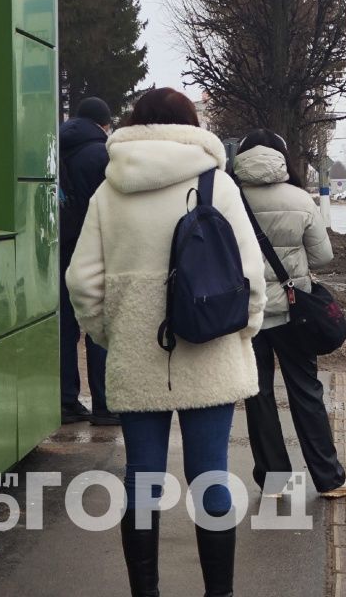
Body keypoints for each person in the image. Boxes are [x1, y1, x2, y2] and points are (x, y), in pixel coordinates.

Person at [66, 88, 266, 597]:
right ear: (191, 124)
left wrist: (112, 332)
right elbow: (250, 276)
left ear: (134, 123)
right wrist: (243, 331)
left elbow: (82, 280)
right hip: (210, 350)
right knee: (211, 477)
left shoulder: (110, 190)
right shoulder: (216, 184)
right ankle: (218, 593)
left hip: (135, 353)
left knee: (141, 479)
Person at [232, 130, 346, 499]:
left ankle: (274, 481)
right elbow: (323, 257)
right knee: (305, 392)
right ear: (282, 157)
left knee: (259, 395)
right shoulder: (300, 199)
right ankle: (329, 479)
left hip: (245, 315)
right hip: (293, 312)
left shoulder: (227, 198)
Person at [58, 97, 118, 426]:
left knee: (64, 326)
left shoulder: (54, 147)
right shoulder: (103, 154)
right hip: (96, 248)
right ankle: (105, 404)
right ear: (104, 124)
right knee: (98, 322)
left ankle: (66, 401)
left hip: (58, 247)